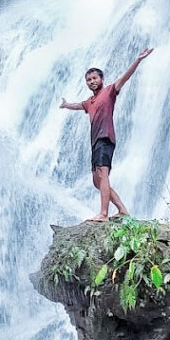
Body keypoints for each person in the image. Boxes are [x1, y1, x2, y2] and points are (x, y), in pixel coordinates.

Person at [59, 48, 154, 222]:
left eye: (95, 78)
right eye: (88, 80)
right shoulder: (89, 102)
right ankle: (122, 210)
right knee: (97, 180)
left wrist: (138, 60)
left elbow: (125, 77)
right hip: (95, 142)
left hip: (106, 138)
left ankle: (104, 214)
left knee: (103, 174)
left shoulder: (109, 91)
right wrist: (66, 105)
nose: (92, 81)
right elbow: (77, 105)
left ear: (101, 79)